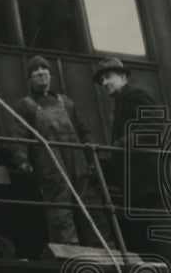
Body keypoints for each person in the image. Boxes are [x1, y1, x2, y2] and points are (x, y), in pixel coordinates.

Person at [9, 56, 116, 249]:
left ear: (50, 75)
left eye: (44, 68)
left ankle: (105, 251)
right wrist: (21, 160)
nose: (41, 72)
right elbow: (20, 136)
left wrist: (92, 156)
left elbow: (84, 132)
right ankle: (69, 254)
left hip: (79, 164)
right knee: (60, 212)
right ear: (30, 79)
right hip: (51, 166)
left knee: (93, 209)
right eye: (35, 70)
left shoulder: (67, 103)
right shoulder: (25, 105)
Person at [93, 57, 171, 266]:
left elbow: (154, 128)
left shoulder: (135, 95)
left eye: (108, 77)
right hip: (139, 186)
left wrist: (120, 144)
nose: (104, 83)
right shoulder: (121, 102)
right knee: (157, 239)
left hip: (149, 183)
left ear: (124, 77)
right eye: (101, 80)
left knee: (165, 237)